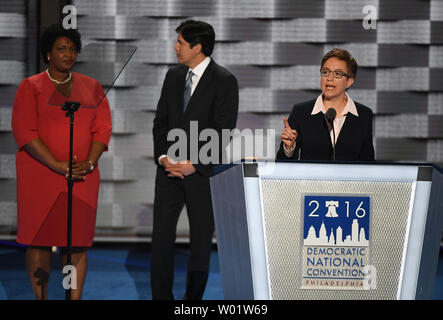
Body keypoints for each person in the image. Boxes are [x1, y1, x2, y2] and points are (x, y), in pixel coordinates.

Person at [11, 24, 112, 299]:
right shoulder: (30, 87)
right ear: (48, 54)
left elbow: (102, 128)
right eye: (61, 48)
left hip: (82, 176)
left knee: (76, 242)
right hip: (40, 176)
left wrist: (89, 163)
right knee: (40, 241)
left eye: (72, 48)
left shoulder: (91, 87)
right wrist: (57, 165)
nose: (69, 53)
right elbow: (24, 131)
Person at [152, 20, 239, 300]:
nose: (175, 47)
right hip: (168, 173)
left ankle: (191, 302)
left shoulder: (225, 81)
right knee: (161, 240)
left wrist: (195, 164)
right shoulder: (173, 76)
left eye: (180, 42)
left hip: (201, 175)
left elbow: (223, 130)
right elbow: (160, 122)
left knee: (200, 243)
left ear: (197, 47)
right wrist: (164, 157)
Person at [276, 48, 375, 161]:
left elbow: (368, 162)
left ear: (349, 81)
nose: (329, 78)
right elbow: (282, 163)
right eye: (325, 72)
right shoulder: (301, 112)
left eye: (337, 74)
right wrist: (289, 148)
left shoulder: (364, 115)